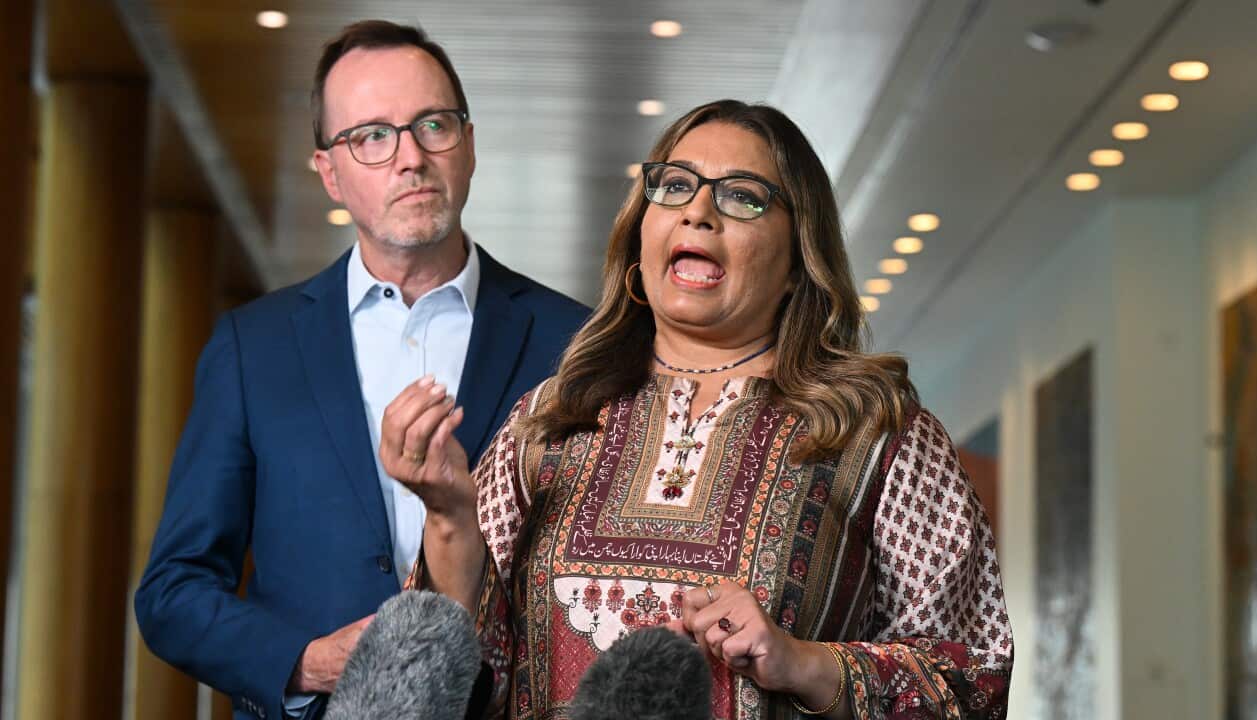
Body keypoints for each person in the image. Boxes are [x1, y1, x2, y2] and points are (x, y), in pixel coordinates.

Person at [383, 99, 1014, 719]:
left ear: (799, 258)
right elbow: (454, 680)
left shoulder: (878, 434)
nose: (699, 212)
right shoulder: (549, 421)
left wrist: (801, 662)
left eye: (742, 195)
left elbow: (972, 681)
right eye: (676, 186)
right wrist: (448, 518)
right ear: (641, 233)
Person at [134, 20, 588, 720]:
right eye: (372, 136)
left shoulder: (575, 341)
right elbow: (173, 592)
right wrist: (309, 662)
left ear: (468, 144)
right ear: (329, 173)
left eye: (432, 125)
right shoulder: (254, 348)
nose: (410, 157)